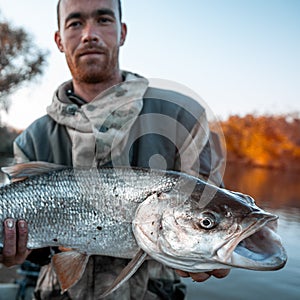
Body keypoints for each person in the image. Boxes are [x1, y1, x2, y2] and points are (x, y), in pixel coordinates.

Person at [0, 0, 229, 299]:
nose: (89, 34)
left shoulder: (181, 117)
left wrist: (204, 244)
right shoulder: (31, 138)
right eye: (75, 23)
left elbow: (207, 209)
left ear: (122, 32)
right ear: (59, 39)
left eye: (103, 20)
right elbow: (37, 254)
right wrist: (16, 253)